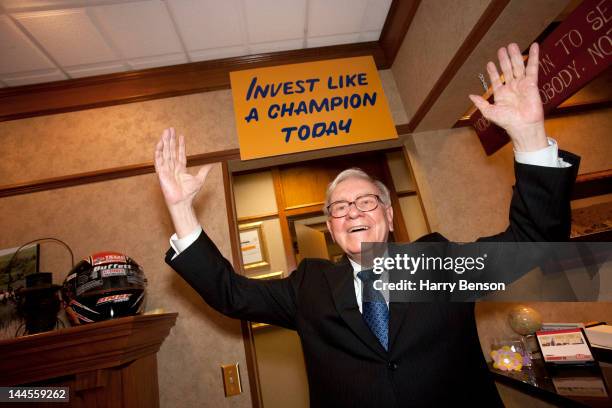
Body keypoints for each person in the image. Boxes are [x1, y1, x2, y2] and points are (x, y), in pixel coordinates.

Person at [155, 43, 579, 407]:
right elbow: (231, 294)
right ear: (330, 227)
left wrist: (529, 139)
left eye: (365, 201)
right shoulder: (309, 286)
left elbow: (533, 242)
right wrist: (181, 209)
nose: (352, 212)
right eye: (338, 208)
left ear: (390, 214)